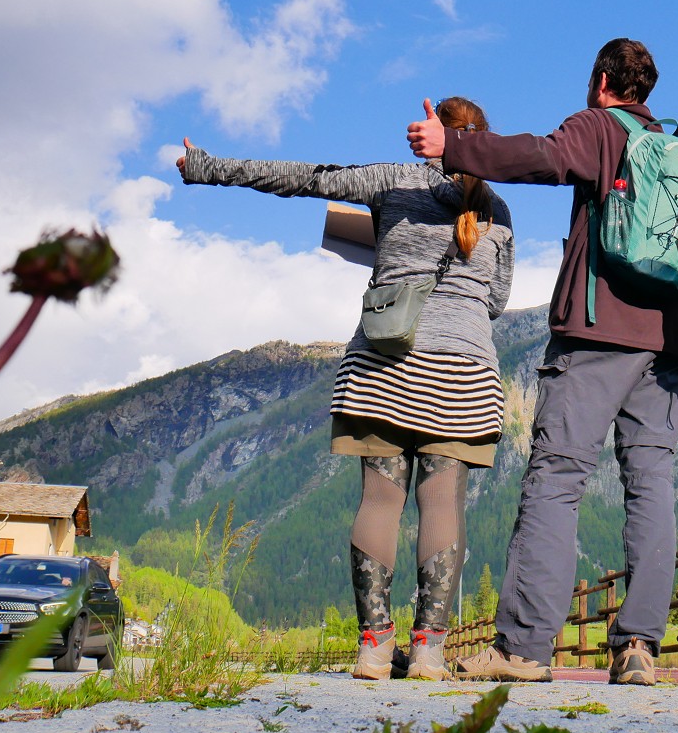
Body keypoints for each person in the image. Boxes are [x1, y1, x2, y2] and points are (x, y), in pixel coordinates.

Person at [177, 98, 514, 680]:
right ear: (482, 138)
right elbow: (498, 300)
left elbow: (306, 180)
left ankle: (374, 647)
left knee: (380, 500)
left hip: (385, 361)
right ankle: (430, 649)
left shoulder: (394, 181)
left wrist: (209, 166)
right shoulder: (497, 208)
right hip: (462, 370)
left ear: (434, 132)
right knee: (441, 503)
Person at [406, 39, 678, 686]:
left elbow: (540, 156)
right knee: (652, 488)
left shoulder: (597, 127)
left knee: (557, 478)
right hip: (669, 339)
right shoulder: (672, 149)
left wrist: (452, 146)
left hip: (599, 331)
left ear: (601, 81)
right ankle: (639, 645)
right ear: (645, 89)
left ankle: (525, 646)